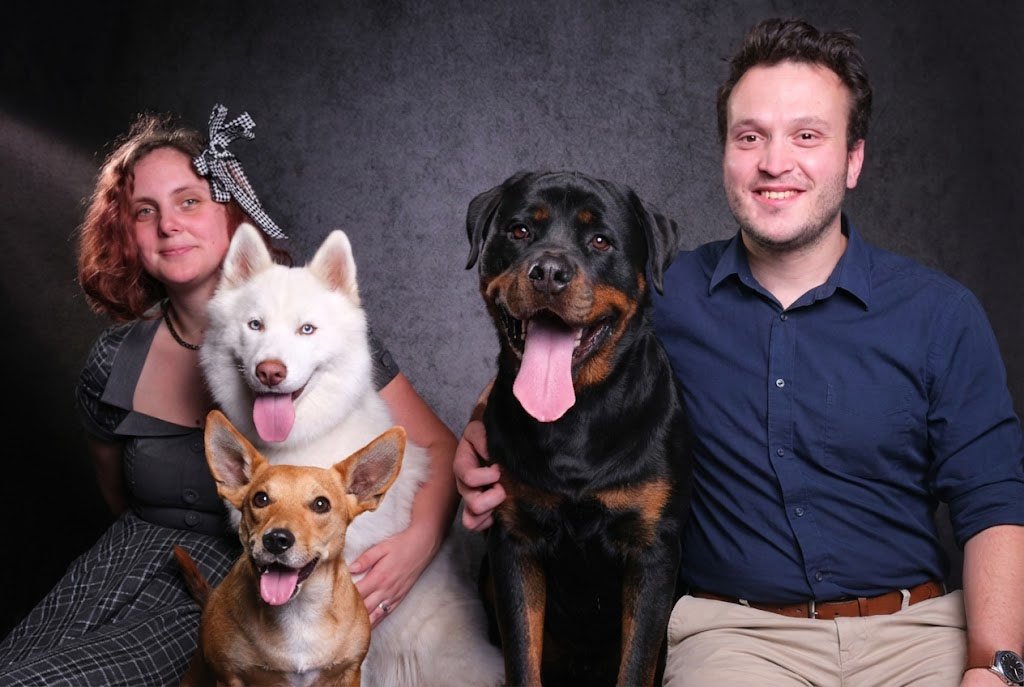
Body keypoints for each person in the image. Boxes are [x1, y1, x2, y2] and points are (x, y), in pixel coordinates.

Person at [455, 18, 1024, 687]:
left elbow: (994, 501)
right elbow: (552, 342)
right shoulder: (661, 296)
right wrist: (483, 424)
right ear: (725, 154)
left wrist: (995, 665)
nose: (774, 162)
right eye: (750, 136)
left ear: (853, 159)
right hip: (740, 640)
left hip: (917, 633)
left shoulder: (940, 314)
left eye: (807, 136)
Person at [0, 105, 458, 686]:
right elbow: (114, 495)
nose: (169, 225)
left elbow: (436, 447)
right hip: (124, 558)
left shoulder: (319, 337)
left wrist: (418, 543)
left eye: (189, 201)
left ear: (232, 212)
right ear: (127, 234)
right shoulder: (112, 361)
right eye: (145, 211)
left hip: (239, 571)